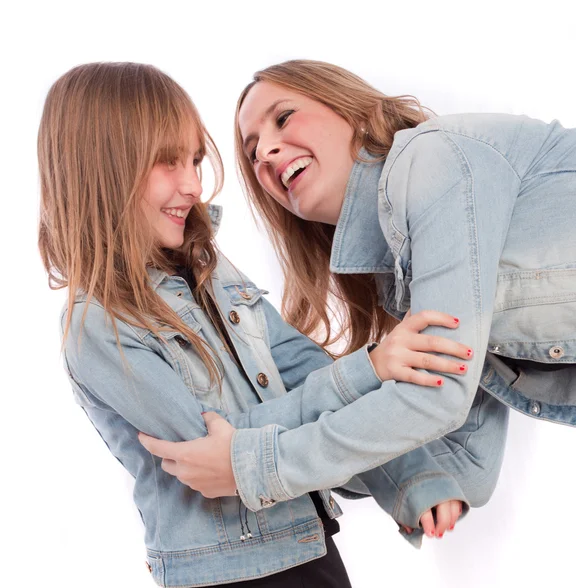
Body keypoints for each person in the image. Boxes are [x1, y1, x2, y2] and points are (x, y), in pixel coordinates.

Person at [39, 61, 485, 587]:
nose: (192, 185)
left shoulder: (209, 266)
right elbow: (218, 456)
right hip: (227, 572)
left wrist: (409, 478)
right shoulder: (97, 326)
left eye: (195, 161)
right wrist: (369, 369)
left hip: (303, 541)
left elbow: (300, 365)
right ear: (100, 170)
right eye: (166, 162)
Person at [141, 59, 573, 526]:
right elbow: (467, 469)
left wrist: (254, 464)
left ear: (349, 109)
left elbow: (439, 396)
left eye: (283, 118)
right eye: (252, 154)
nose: (265, 150)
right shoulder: (407, 272)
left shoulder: (433, 160)